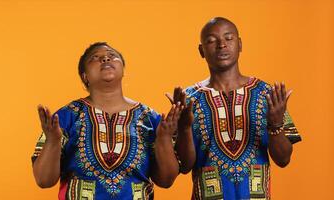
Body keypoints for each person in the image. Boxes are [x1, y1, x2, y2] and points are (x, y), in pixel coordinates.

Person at [168, 17, 302, 200]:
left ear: (239, 45)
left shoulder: (267, 95)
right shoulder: (188, 100)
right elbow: (184, 166)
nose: (221, 45)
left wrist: (276, 125)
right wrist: (183, 128)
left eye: (228, 38)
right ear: (201, 50)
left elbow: (284, 159)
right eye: (211, 40)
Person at [32, 42, 181, 200]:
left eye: (112, 56)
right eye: (95, 58)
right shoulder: (65, 117)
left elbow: (166, 180)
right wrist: (53, 141)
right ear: (85, 76)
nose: (105, 59)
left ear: (123, 69)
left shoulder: (150, 118)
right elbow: (43, 180)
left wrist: (164, 138)